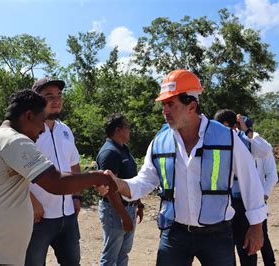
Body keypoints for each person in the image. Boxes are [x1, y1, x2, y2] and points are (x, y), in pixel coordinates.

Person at [107, 69, 268, 265]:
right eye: (164, 105)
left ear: (191, 106)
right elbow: (144, 181)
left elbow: (250, 182)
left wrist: (256, 226)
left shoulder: (227, 138)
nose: (165, 111)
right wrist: (117, 184)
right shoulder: (160, 142)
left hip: (217, 235)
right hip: (175, 234)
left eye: (171, 104)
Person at [0, 90, 118, 265]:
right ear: (28, 116)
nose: (42, 129)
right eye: (41, 121)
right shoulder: (13, 141)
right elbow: (56, 183)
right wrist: (97, 177)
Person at [26, 77, 83, 266]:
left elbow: (74, 164)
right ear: (36, 100)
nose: (56, 99)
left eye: (59, 95)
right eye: (49, 95)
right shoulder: (26, 132)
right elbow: (14, 174)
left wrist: (76, 197)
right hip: (38, 218)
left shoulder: (65, 130)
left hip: (67, 216)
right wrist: (32, 203)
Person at [214, 109, 278, 265]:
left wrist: (247, 131)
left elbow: (266, 152)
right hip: (225, 203)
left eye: (225, 127)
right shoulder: (215, 141)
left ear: (235, 126)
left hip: (246, 203)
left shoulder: (248, 141)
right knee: (226, 248)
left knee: (249, 246)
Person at [96, 113, 144, 266]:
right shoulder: (109, 153)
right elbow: (109, 190)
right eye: (127, 127)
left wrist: (139, 204)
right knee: (110, 257)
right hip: (115, 210)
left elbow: (132, 179)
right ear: (118, 130)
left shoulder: (123, 149)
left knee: (123, 254)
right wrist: (124, 216)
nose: (130, 130)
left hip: (129, 208)